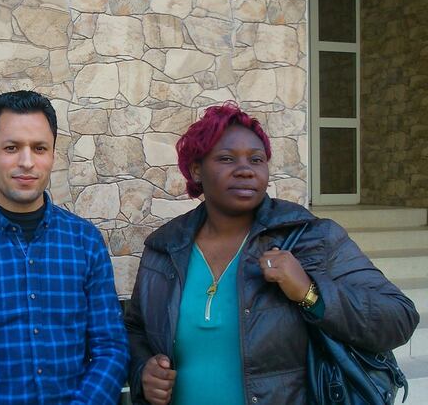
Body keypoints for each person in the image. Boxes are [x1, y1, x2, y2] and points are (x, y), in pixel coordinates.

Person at [124, 101, 419, 404]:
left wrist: (310, 293)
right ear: (197, 170)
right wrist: (143, 372)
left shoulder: (311, 236)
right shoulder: (166, 246)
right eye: (226, 158)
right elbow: (136, 329)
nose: (245, 171)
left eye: (256, 159)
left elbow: (399, 317)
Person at [0, 90, 129, 404]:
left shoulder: (85, 242)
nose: (27, 161)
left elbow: (111, 348)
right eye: (12, 147)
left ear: (53, 154)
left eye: (39, 148)